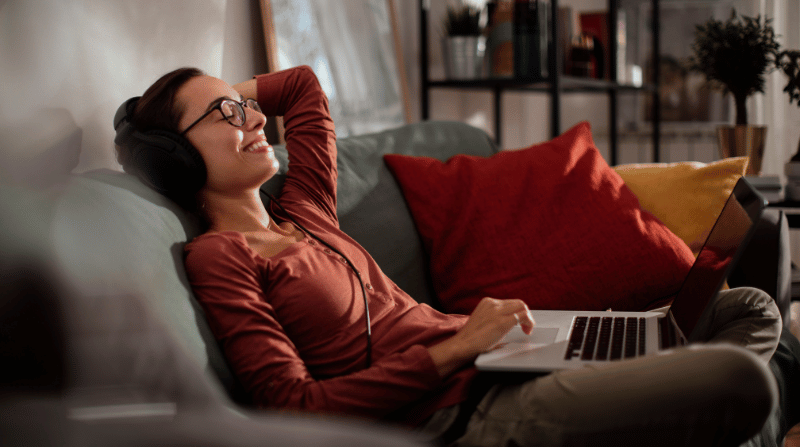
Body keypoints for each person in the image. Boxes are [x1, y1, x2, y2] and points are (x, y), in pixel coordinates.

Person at [115, 65, 783, 446]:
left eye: (243, 107)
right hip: (465, 414)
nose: (252, 120)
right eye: (224, 116)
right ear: (175, 160)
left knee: (748, 305)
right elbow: (292, 406)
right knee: (743, 381)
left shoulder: (306, 209)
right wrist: (457, 349)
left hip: (504, 360)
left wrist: (235, 98)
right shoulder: (220, 257)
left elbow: (304, 91)